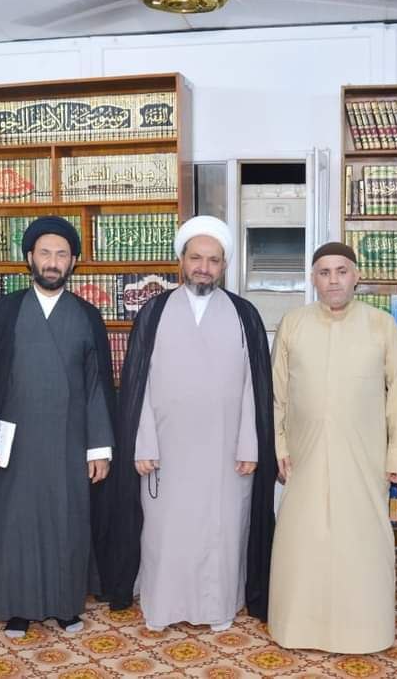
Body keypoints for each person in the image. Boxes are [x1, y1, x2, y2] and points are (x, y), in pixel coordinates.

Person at [108, 215, 276, 632]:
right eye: (196, 258)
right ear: (181, 261)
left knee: (222, 534)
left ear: (224, 265)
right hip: (166, 451)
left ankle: (217, 610)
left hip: (227, 453)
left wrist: (250, 446)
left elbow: (255, 388)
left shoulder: (244, 314)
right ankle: (163, 608)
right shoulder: (154, 311)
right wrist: (143, 443)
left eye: (213, 260)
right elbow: (138, 385)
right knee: (165, 533)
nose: (204, 267)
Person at [0, 216, 116, 637]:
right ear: (29, 257)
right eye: (45, 253)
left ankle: (66, 607)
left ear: (73, 262)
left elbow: (97, 385)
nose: (52, 261)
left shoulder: (87, 315)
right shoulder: (5, 311)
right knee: (16, 524)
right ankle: (18, 608)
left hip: (70, 441)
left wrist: (99, 448)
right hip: (14, 442)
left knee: (68, 522)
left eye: (61, 254)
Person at [268, 242, 397, 653]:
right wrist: (279, 446)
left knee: (362, 543)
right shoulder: (293, 324)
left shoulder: (381, 325)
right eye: (324, 272)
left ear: (356, 276)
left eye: (341, 271)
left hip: (364, 456)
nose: (333, 280)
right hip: (304, 454)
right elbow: (277, 395)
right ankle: (297, 628)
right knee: (303, 541)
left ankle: (364, 631)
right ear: (313, 279)